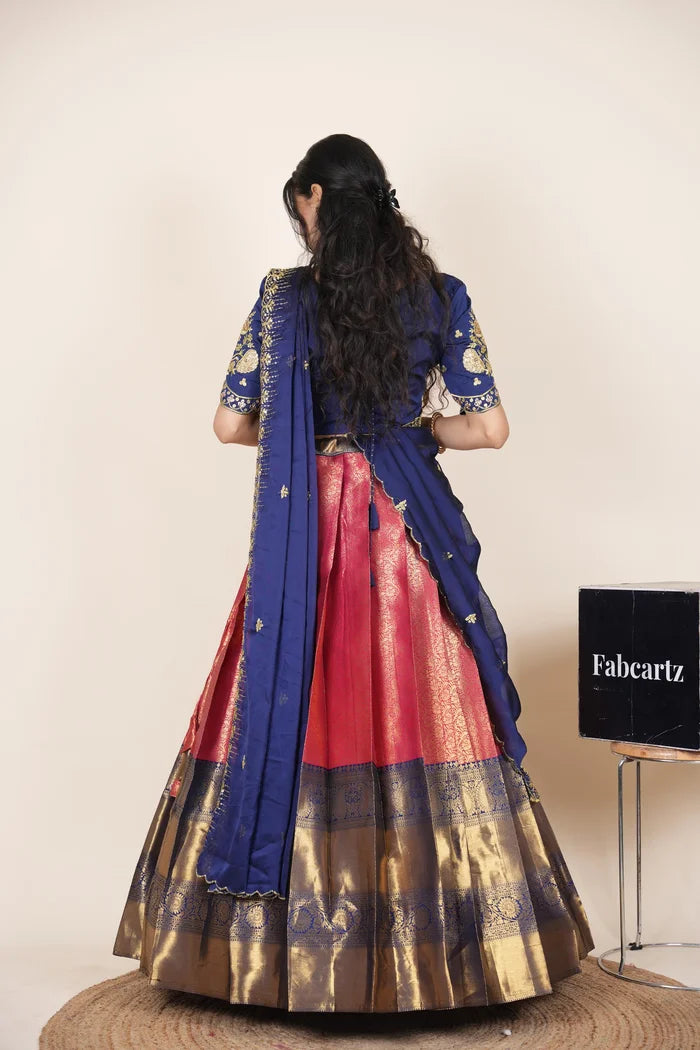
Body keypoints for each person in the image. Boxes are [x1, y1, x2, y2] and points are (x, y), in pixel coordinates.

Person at [113, 133, 594, 1012]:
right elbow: (488, 429)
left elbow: (230, 425)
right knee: (424, 707)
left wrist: (312, 439)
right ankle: (451, 956)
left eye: (298, 207)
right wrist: (410, 434)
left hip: (305, 532)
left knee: (293, 694)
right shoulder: (441, 296)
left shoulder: (283, 300)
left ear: (313, 200)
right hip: (406, 531)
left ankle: (264, 950)